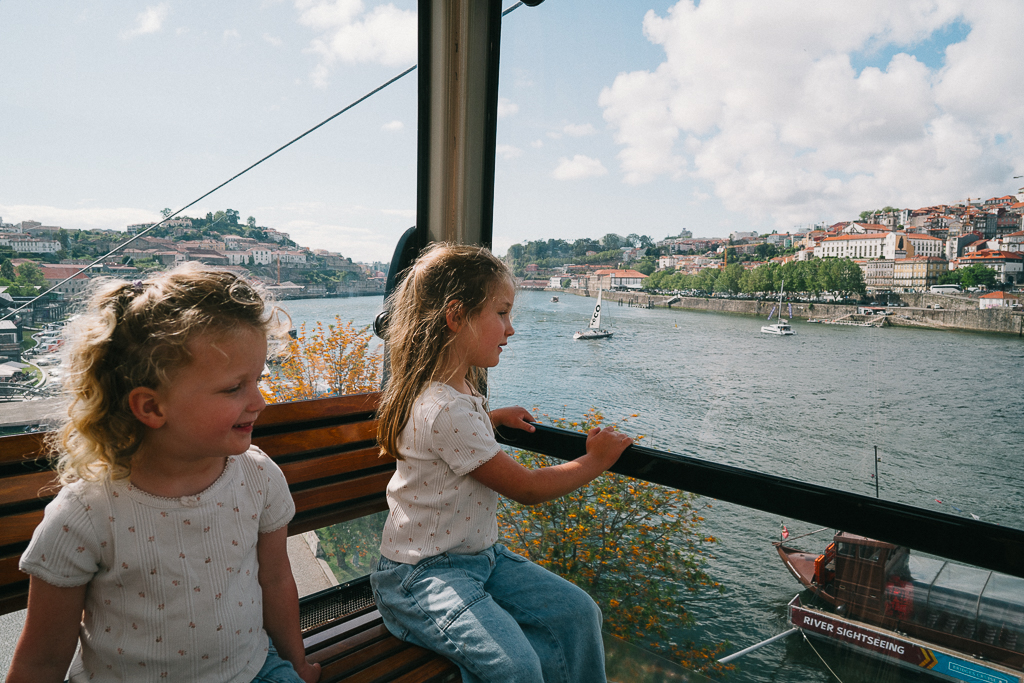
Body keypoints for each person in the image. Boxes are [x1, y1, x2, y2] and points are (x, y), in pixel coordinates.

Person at [6, 264, 320, 683]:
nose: (259, 401)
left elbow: (276, 579)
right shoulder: (86, 514)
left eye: (258, 380)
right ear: (152, 407)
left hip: (252, 671)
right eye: (234, 388)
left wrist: (295, 665)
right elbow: (42, 660)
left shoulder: (257, 476)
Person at [371, 243, 633, 683]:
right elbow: (528, 489)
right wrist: (596, 460)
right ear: (456, 316)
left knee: (578, 614)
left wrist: (490, 419)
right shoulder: (445, 408)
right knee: (515, 666)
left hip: (482, 559)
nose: (511, 329)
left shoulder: (455, 395)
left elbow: (443, 441)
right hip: (420, 577)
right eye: (502, 313)